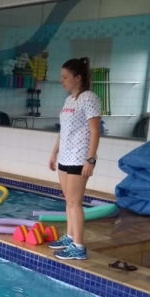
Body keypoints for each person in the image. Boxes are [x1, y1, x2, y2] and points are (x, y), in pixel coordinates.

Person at [47, 57, 101, 261]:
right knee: (68, 200)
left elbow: (95, 131)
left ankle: (78, 246)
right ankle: (70, 237)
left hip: (80, 157)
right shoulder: (69, 100)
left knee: (74, 202)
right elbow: (64, 130)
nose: (62, 81)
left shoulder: (90, 98)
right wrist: (54, 152)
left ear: (77, 78)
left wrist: (91, 159)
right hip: (65, 156)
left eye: (65, 77)